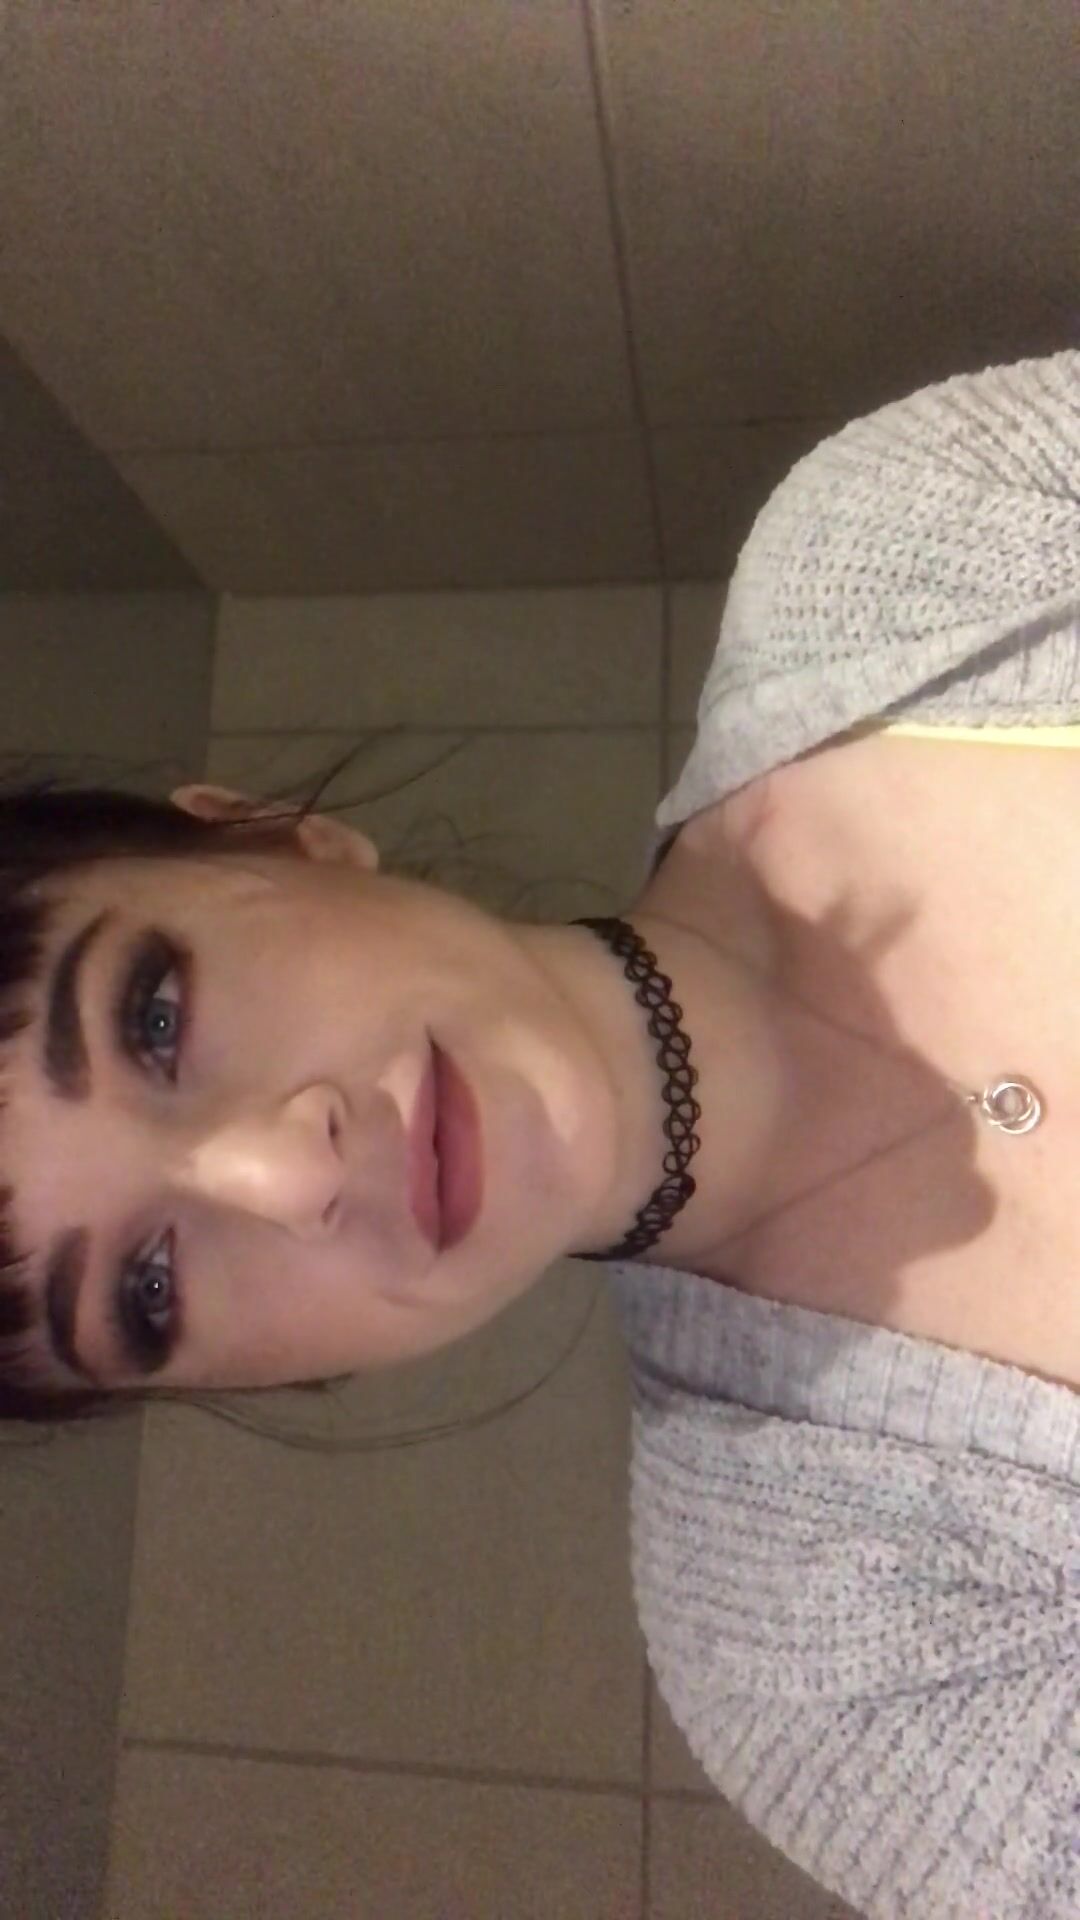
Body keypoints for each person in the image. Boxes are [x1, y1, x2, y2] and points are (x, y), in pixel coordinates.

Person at [1, 349, 1077, 1917]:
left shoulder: (901, 544)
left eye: (154, 1015)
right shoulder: (816, 1649)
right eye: (147, 1294)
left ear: (275, 837)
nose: (291, 1174)